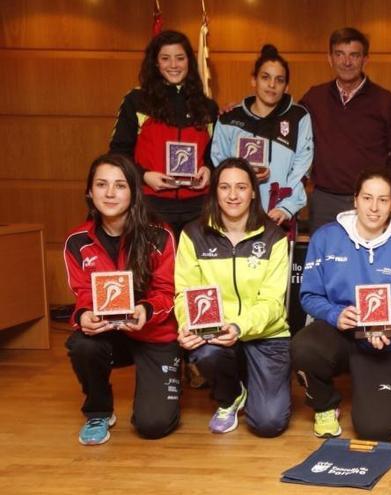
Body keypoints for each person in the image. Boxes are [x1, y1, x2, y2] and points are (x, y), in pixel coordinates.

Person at [290, 168, 391, 441]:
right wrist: (335, 314)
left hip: (385, 341)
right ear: (355, 200)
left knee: (376, 429)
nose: (374, 208)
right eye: (367, 198)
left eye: (383, 200)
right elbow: (309, 296)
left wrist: (390, 325)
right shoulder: (326, 238)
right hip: (338, 333)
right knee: (303, 346)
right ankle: (325, 404)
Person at [64, 154, 179, 445]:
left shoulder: (160, 235)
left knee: (153, 425)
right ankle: (98, 411)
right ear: (90, 192)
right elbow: (83, 295)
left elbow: (167, 292)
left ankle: (174, 376)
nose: (110, 193)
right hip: (109, 334)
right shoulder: (77, 241)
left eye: (120, 185)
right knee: (81, 344)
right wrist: (85, 316)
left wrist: (146, 310)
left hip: (153, 333)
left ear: (134, 192)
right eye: (102, 185)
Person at [174, 158, 291, 437]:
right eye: (225, 187)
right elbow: (184, 293)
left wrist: (239, 327)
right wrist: (187, 323)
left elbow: (274, 303)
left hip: (266, 335)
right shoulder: (193, 234)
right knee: (205, 351)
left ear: (253, 192)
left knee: (268, 423)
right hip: (215, 333)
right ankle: (230, 396)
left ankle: (252, 380)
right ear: (215, 191)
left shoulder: (274, 236)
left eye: (241, 187)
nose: (233, 195)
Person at [109, 30, 218, 237]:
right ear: (156, 63)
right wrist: (144, 176)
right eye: (165, 58)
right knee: (154, 268)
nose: (174, 65)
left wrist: (209, 170)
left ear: (189, 62)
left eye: (180, 58)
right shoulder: (137, 100)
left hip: (198, 208)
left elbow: (215, 155)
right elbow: (118, 154)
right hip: (151, 205)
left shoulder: (207, 107)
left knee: (194, 269)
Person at [301, 27, 391, 231]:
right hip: (325, 200)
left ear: (365, 59)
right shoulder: (314, 98)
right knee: (325, 259)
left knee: (372, 260)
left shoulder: (386, 101)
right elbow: (287, 125)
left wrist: (377, 183)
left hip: (371, 201)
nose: (346, 62)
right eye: (339, 54)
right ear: (330, 59)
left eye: (354, 55)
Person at [211, 44, 313, 231]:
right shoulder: (230, 118)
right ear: (253, 80)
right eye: (265, 77)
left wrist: (286, 207)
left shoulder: (298, 118)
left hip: (278, 215)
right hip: (235, 216)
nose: (272, 85)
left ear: (286, 86)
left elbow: (301, 169)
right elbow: (219, 169)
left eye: (279, 80)